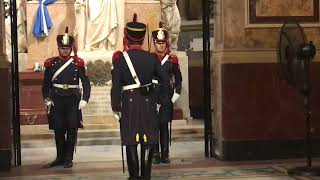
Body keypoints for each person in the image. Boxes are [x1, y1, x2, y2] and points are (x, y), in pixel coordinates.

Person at [111, 14, 170, 180]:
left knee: (131, 140)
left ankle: (134, 177)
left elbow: (116, 87)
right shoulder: (151, 58)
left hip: (129, 104)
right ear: (143, 38)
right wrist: (160, 101)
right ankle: (146, 176)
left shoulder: (120, 60)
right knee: (149, 140)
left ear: (127, 38)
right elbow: (166, 81)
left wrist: (116, 107)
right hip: (149, 101)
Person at [42, 27, 91, 168]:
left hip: (72, 100)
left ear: (71, 48)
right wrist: (47, 98)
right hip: (57, 99)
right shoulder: (51, 64)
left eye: (67, 48)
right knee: (58, 129)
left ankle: (68, 158)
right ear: (58, 48)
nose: (65, 50)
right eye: (62, 48)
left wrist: (84, 99)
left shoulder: (78, 64)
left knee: (71, 128)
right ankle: (60, 156)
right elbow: (46, 84)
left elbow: (86, 84)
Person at [151, 22, 182, 164]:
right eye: (158, 43)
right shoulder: (150, 59)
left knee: (163, 125)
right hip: (152, 97)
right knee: (153, 125)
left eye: (163, 43)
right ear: (154, 43)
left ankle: (165, 153)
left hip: (166, 96)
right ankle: (155, 153)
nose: (161, 45)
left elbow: (178, 78)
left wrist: (177, 93)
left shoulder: (172, 59)